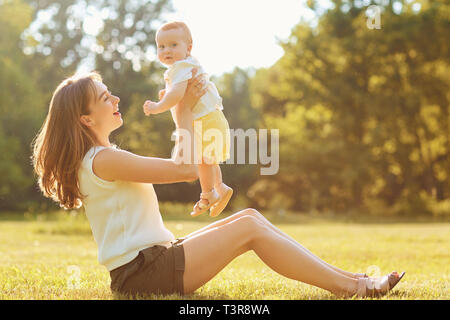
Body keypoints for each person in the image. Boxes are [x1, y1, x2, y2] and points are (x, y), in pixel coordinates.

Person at [32, 71, 405, 298]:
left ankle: (353, 281)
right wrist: (183, 111)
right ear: (85, 118)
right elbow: (185, 168)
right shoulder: (104, 159)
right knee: (248, 227)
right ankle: (354, 288)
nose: (115, 99)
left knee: (252, 218)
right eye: (104, 98)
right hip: (143, 274)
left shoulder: (101, 156)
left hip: (152, 262)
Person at [143, 21, 233, 218]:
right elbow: (178, 94)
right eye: (161, 46)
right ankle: (220, 187)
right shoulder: (186, 65)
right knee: (207, 158)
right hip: (209, 118)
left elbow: (176, 95)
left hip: (206, 120)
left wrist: (158, 106)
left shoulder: (181, 67)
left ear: (188, 47)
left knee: (203, 159)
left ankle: (209, 194)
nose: (167, 50)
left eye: (174, 45)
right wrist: (168, 95)